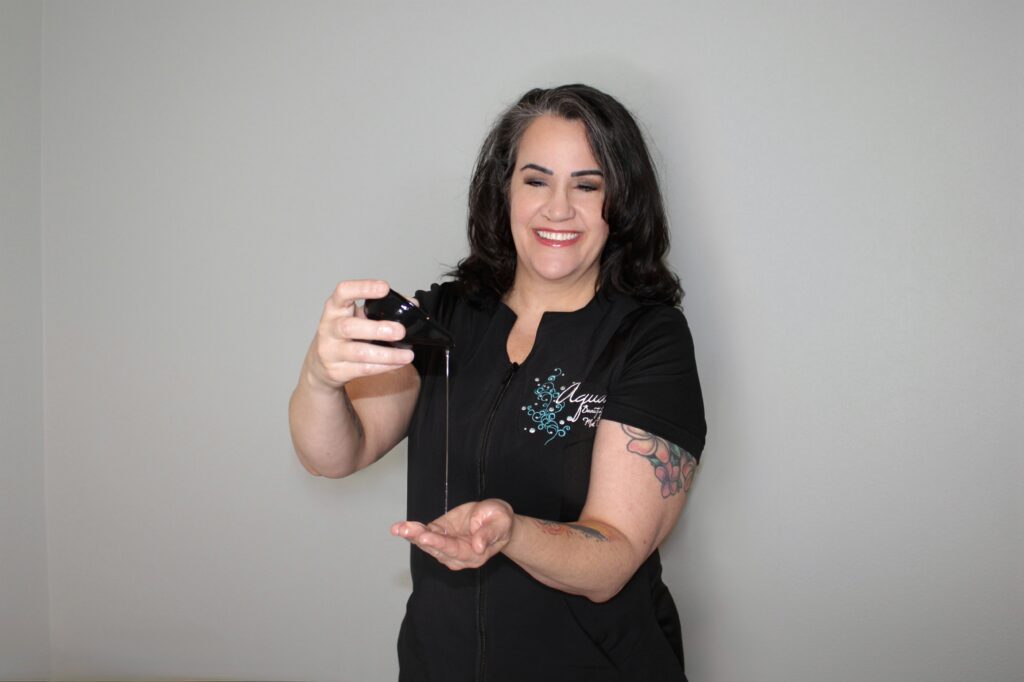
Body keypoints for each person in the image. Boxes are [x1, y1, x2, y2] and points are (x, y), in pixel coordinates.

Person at [289, 84, 707, 681]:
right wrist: (319, 377)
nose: (557, 209)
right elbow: (334, 454)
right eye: (536, 180)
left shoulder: (648, 339)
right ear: (504, 189)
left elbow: (612, 558)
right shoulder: (446, 318)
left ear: (621, 202)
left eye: (587, 185)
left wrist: (511, 532)